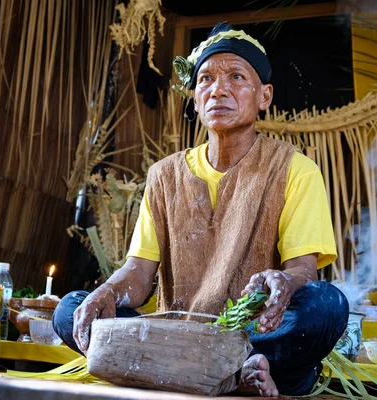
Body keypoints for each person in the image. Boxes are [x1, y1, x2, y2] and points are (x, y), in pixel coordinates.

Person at [53, 22, 348, 397]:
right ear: (194, 98)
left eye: (236, 77)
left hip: (254, 339)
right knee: (72, 309)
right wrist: (108, 292)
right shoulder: (164, 175)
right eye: (205, 79)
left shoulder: (294, 169)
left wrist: (285, 283)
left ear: (264, 96)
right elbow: (139, 274)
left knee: (327, 304)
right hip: (179, 339)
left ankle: (246, 368)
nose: (218, 90)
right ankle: (227, 377)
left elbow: (303, 270)